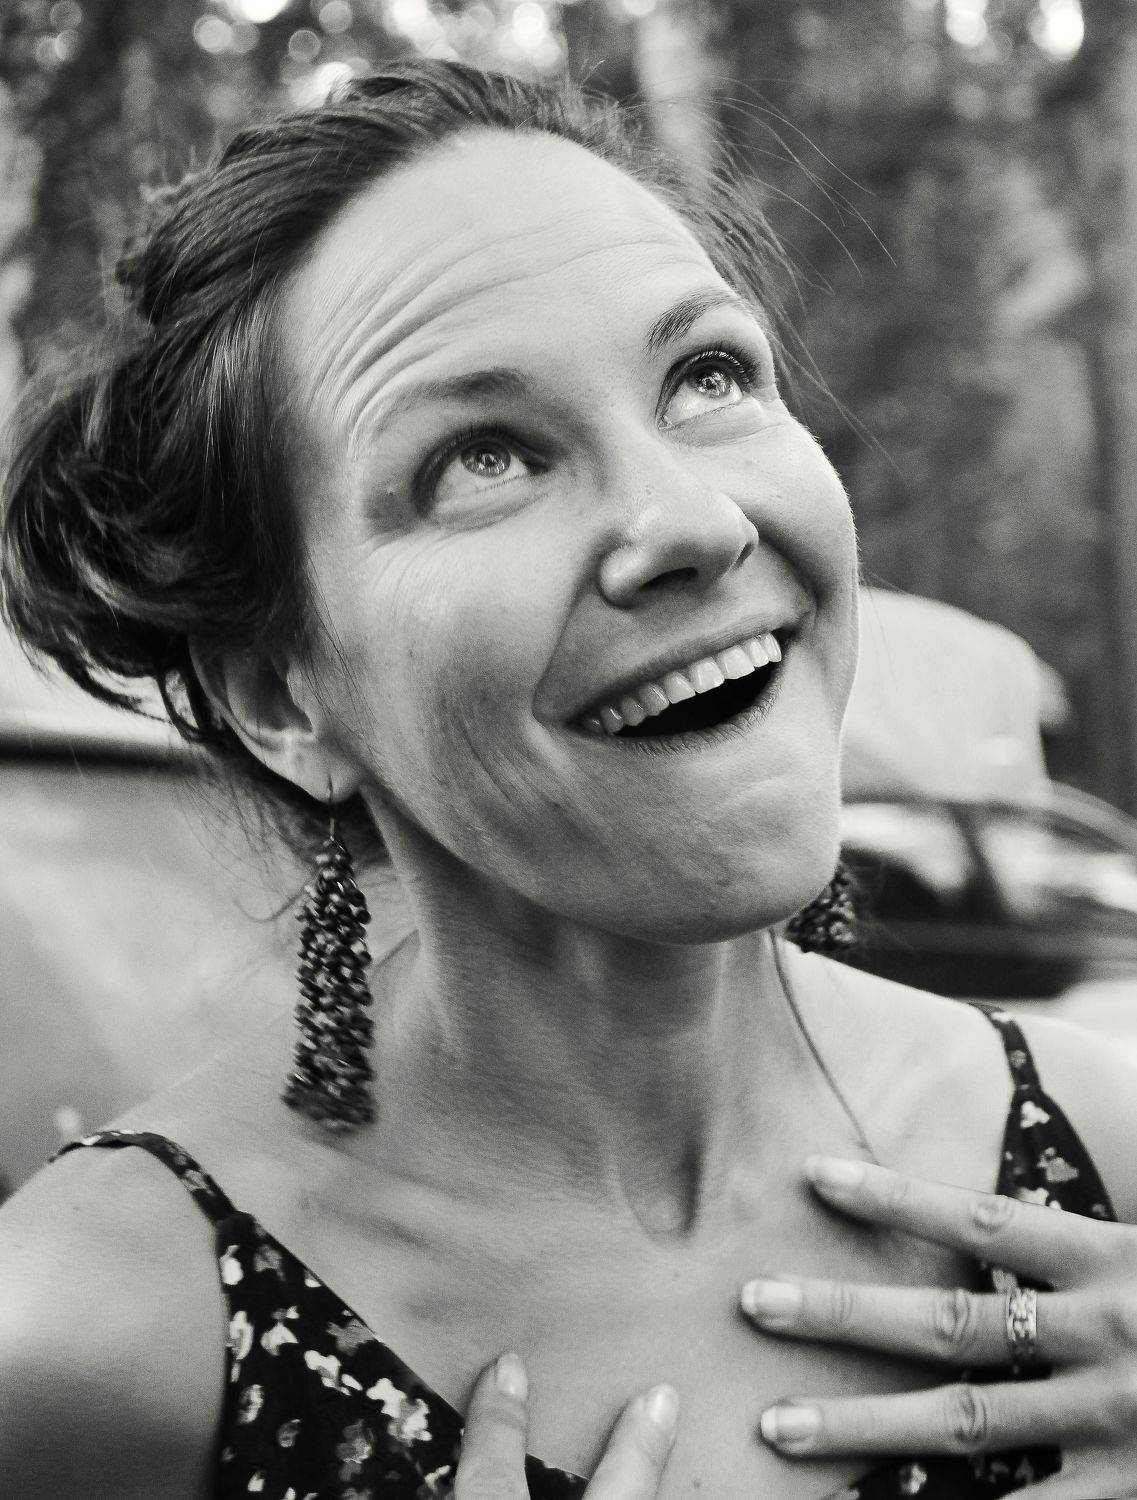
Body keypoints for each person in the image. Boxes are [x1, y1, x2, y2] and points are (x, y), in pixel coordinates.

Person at [1, 59, 1136, 1500]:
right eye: (483, 458)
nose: (691, 521)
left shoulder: (1101, 1159)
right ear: (283, 695)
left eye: (708, 375)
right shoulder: (98, 1340)